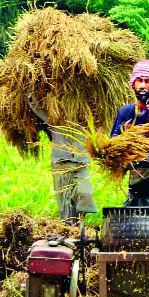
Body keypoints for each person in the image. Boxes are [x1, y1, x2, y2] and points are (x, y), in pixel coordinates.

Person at [110, 59, 149, 206]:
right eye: (139, 80)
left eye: (147, 81)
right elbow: (113, 140)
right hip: (135, 190)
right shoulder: (125, 113)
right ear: (133, 84)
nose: (143, 85)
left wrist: (136, 160)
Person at [26, 94, 98, 225]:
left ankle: (79, 220)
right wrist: (32, 100)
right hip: (60, 164)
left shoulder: (86, 121)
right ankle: (71, 230)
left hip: (80, 165)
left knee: (85, 192)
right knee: (65, 204)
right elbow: (38, 110)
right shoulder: (55, 119)